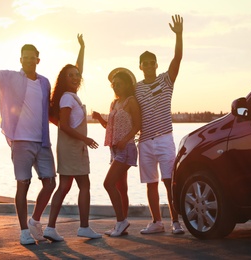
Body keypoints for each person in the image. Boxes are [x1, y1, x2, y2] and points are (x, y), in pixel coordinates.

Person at [0, 29, 56, 245]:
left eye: (33, 58)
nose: (30, 61)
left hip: (43, 142)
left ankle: (35, 220)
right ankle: (23, 231)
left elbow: (48, 111)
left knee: (50, 183)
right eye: (25, 57)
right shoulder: (9, 77)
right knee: (23, 184)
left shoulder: (45, 82)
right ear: (21, 59)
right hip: (20, 142)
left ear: (38, 60)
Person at [43, 34, 101, 241]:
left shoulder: (70, 95)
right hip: (73, 147)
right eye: (71, 75)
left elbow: (79, 68)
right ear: (64, 79)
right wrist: (85, 140)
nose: (76, 77)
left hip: (71, 147)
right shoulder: (67, 97)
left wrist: (82, 48)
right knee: (83, 185)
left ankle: (50, 227)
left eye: (77, 75)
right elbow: (65, 126)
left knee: (65, 186)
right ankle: (83, 226)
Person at [134, 14, 185, 235]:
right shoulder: (136, 88)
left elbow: (178, 59)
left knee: (169, 181)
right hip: (144, 141)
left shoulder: (166, 80)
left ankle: (176, 222)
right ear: (140, 66)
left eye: (150, 63)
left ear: (156, 64)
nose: (147, 66)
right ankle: (156, 222)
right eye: (143, 63)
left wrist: (179, 35)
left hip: (164, 138)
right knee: (151, 183)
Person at [92, 68, 141, 237]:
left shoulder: (131, 101)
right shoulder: (114, 104)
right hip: (114, 150)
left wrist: (125, 139)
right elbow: (110, 127)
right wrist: (99, 119)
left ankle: (121, 221)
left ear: (127, 84)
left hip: (126, 149)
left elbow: (137, 125)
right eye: (113, 84)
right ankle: (121, 223)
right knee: (121, 188)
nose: (115, 87)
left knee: (108, 184)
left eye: (119, 84)